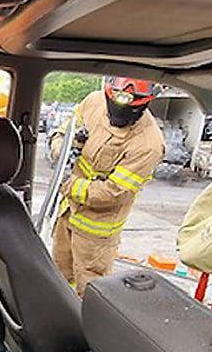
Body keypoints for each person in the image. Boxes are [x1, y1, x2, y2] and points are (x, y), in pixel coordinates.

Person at [47, 76, 165, 296]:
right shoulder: (93, 102)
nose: (118, 115)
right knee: (59, 278)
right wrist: (61, 148)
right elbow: (64, 132)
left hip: (96, 232)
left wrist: (68, 185)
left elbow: (112, 192)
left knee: (90, 289)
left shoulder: (148, 144)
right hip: (67, 214)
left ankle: (83, 327)